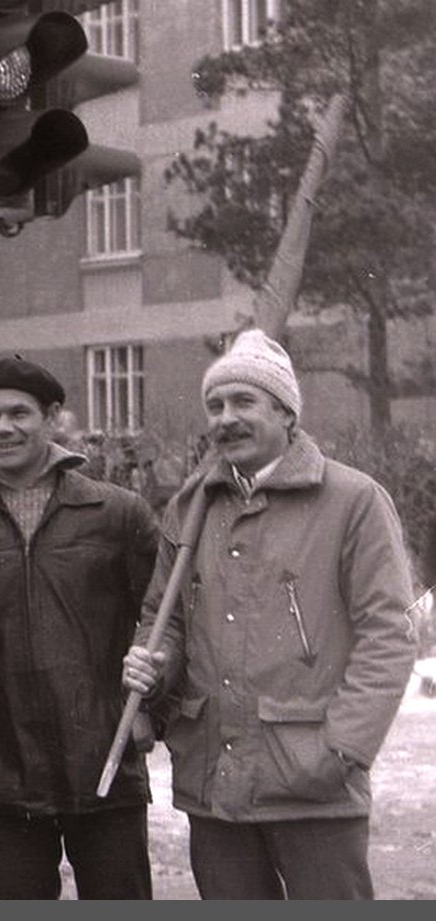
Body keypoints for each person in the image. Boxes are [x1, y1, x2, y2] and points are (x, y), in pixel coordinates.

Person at [122, 328, 418, 900]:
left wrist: (343, 749)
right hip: (213, 779)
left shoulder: (353, 500)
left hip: (313, 781)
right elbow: (166, 619)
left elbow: (389, 634)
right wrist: (154, 665)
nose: (226, 418)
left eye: (244, 402)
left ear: (286, 413)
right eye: (215, 406)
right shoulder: (190, 506)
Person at [0, 356, 160, 899]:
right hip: (5, 769)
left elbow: (165, 618)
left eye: (18, 413)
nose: (3, 428)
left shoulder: (119, 515)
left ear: (51, 417)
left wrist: (149, 711)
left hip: (106, 761)